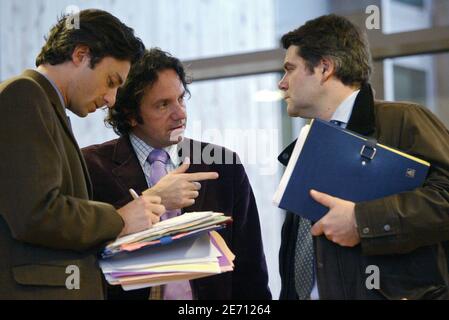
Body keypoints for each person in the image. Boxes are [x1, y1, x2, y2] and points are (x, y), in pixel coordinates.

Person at [277, 14, 449, 300]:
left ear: (324, 68)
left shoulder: (405, 120)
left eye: (289, 69)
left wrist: (361, 221)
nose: (282, 83)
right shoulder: (307, 146)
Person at [0, 9, 168, 299]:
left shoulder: (45, 104)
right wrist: (119, 219)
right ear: (80, 55)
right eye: (111, 81)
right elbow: (36, 213)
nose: (110, 99)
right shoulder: (23, 95)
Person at [82, 48, 272, 300]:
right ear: (129, 114)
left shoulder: (223, 165)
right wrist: (152, 200)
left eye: (181, 99)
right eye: (163, 105)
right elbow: (84, 250)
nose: (180, 113)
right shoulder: (91, 167)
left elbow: (250, 269)